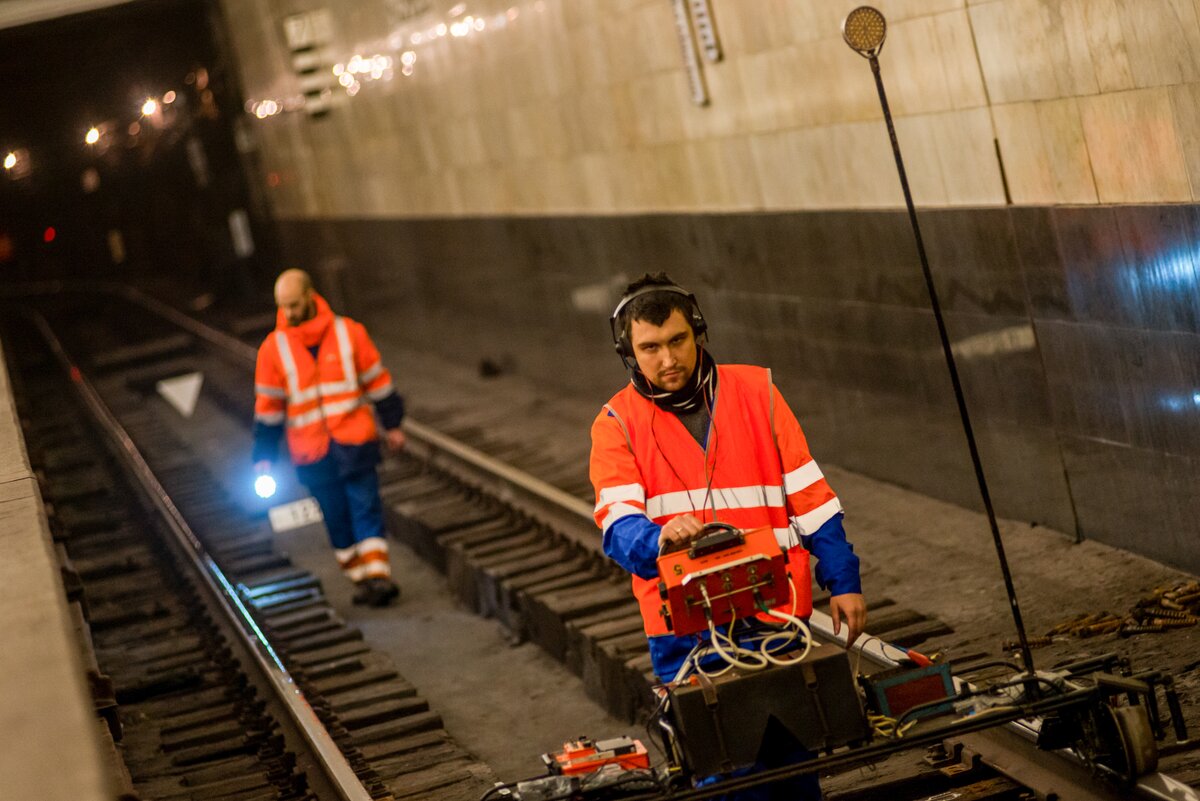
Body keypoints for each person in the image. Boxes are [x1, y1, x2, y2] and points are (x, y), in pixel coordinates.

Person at [588, 273, 866, 800]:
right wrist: (658, 538)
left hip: (775, 613)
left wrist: (844, 579)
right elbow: (619, 527)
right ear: (628, 351)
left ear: (696, 332)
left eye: (677, 341)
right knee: (724, 772)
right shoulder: (615, 424)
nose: (667, 359)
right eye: (650, 348)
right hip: (685, 630)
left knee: (793, 767)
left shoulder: (756, 392)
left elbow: (810, 498)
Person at [253, 269, 405, 607]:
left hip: (354, 440)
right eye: (283, 306)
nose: (289, 313)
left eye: (294, 304)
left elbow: (377, 382)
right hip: (312, 453)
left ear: (310, 295)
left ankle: (379, 577)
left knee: (365, 506)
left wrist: (392, 424)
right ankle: (362, 579)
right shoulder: (273, 350)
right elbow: (269, 409)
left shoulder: (348, 333)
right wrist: (264, 455)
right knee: (336, 517)